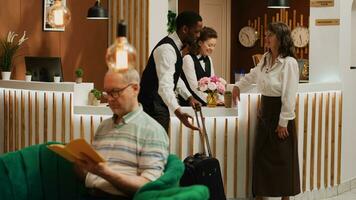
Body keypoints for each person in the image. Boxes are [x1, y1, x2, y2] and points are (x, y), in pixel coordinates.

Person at [75, 69, 169, 200]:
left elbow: (148, 185)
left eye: (115, 92)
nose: (110, 99)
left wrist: (106, 173)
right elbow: (93, 173)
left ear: (135, 89)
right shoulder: (104, 126)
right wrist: (83, 167)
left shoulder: (152, 130)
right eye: (107, 93)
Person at [232, 22, 301, 200]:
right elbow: (253, 75)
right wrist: (238, 87)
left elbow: (289, 94)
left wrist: (283, 121)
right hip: (265, 113)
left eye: (271, 35)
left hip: (280, 115)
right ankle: (260, 196)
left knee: (282, 160)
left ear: (281, 39)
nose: (266, 38)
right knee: (262, 158)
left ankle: (285, 197)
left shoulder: (289, 63)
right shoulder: (265, 58)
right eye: (267, 34)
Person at [138, 11, 203, 132]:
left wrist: (189, 97)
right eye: (196, 31)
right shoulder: (167, 49)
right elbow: (165, 86)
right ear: (184, 29)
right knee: (155, 150)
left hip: (158, 107)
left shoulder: (175, 48)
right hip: (152, 108)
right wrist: (178, 112)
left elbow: (174, 78)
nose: (199, 35)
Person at [180, 26, 219, 106]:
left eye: (214, 45)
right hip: (190, 105)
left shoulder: (209, 59)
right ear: (200, 43)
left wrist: (217, 99)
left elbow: (212, 83)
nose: (212, 48)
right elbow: (194, 87)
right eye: (209, 45)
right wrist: (211, 100)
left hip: (206, 104)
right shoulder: (188, 59)